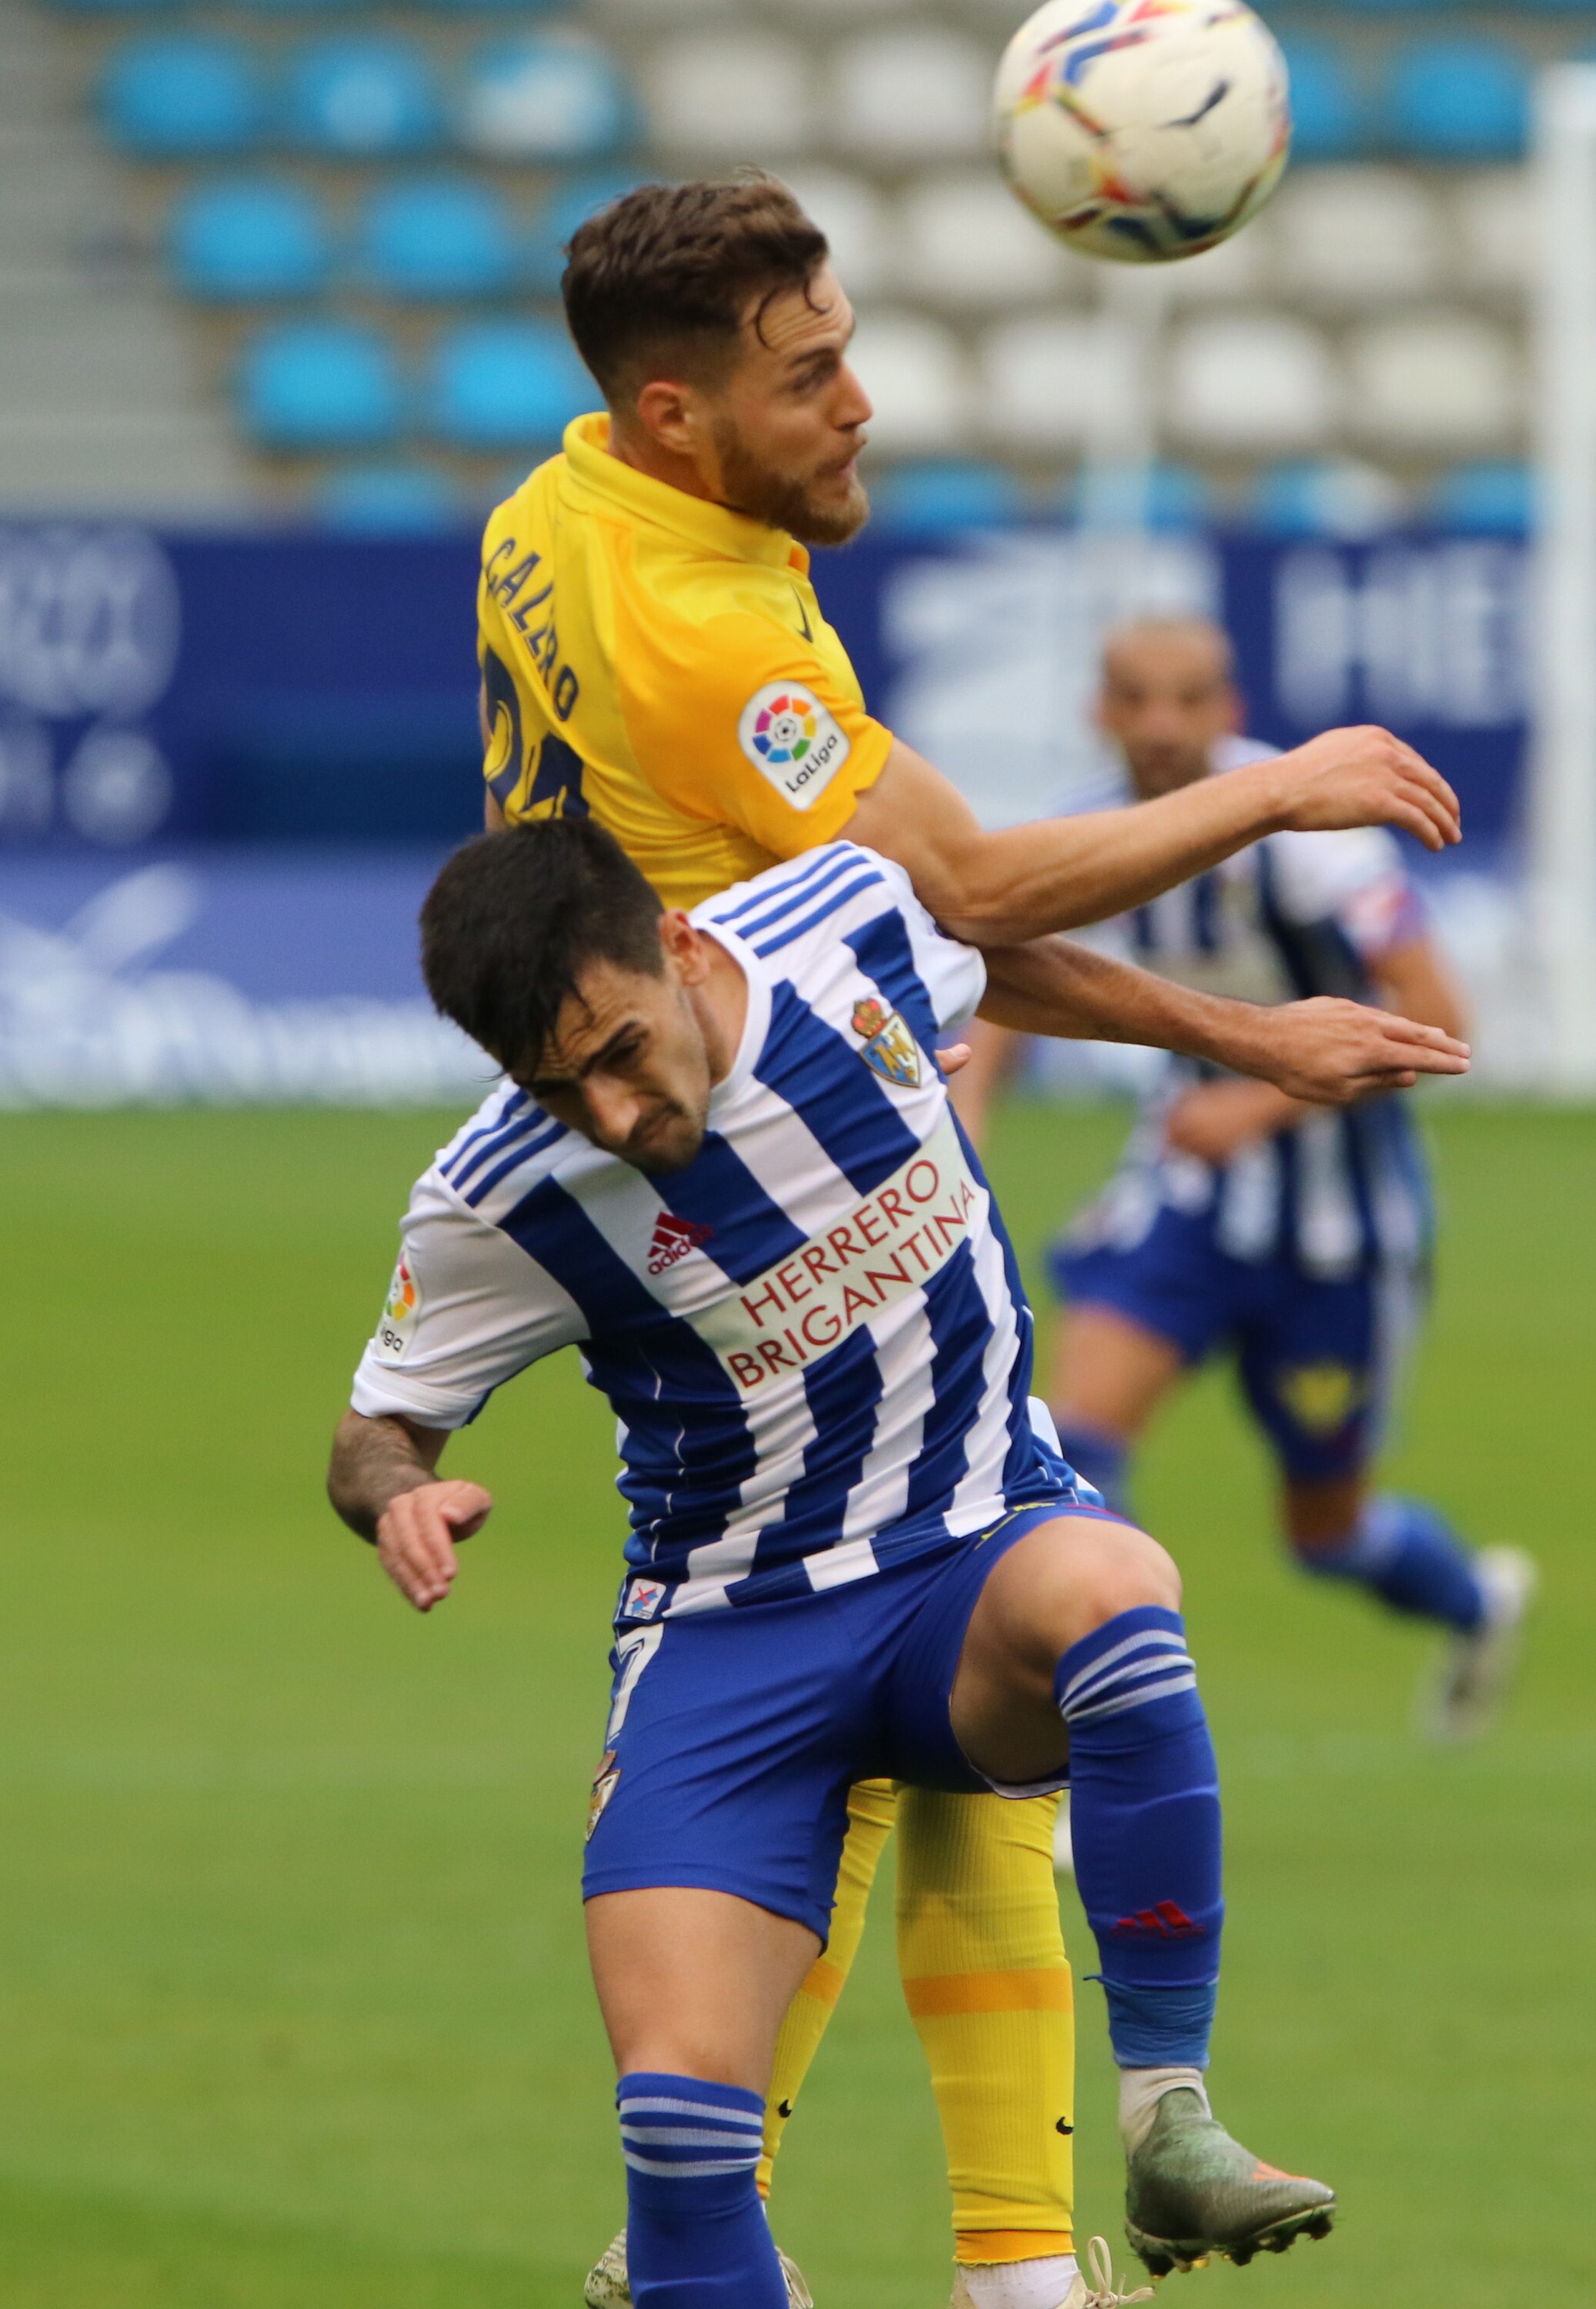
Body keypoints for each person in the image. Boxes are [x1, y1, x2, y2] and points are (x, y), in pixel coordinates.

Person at [472, 171, 1467, 2308]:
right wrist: (1257, 792)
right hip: (770, 1179)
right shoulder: (712, 634)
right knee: (942, 1639)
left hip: (670, 1154)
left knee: (944, 1669)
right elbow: (986, 898)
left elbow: (914, 930)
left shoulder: (560, 512)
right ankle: (948, 2246)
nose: (856, 401)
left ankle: (826, 2241)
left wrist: (1232, 1032)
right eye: (805, 372)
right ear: (671, 410)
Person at [327, 820, 1471, 2302]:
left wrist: (1244, 1037)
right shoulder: (503, 1195)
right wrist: (397, 1497)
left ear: (677, 945)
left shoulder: (845, 924)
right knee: (677, 2138)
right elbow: (375, 1426)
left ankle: (1164, 2121)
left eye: (619, 1049)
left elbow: (1001, 958)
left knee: (1120, 1596)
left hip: (967, 1561)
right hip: (730, 1635)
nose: (609, 1111)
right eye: (558, 1084)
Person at [957, 619, 1534, 1741]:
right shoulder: (1089, 831)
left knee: (1327, 1533)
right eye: (1137, 699)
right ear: (1101, 712)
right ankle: (1108, 1732)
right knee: (1075, 1442)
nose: (1162, 725)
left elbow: (1440, 1017)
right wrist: (963, 1138)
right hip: (1181, 1203)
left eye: (1188, 700)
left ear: (1228, 712)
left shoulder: (1316, 843)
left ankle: (1474, 1602)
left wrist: (1258, 1094)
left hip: (1339, 1237)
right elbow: (998, 980)